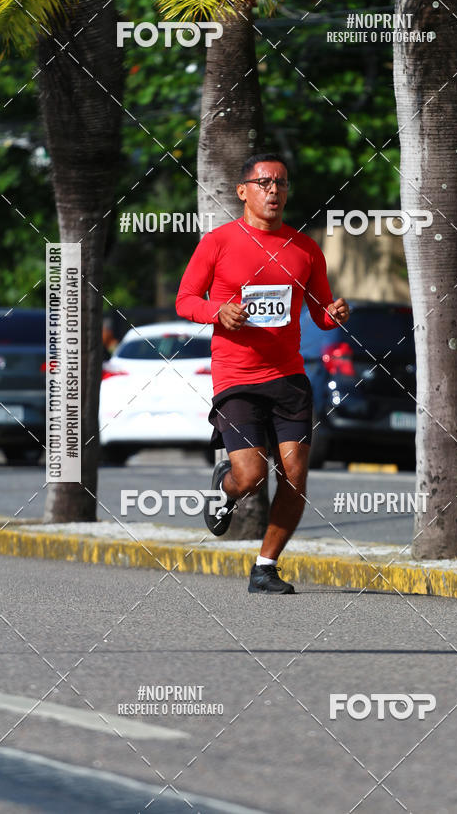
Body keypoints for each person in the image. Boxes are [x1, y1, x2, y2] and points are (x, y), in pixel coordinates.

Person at [176, 153, 349, 594]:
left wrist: (334, 314)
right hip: (236, 376)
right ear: (243, 191)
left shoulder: (305, 249)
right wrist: (220, 311)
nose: (275, 190)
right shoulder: (218, 242)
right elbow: (185, 301)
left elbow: (321, 312)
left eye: (282, 184)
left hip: (288, 376)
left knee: (295, 477)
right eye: (265, 182)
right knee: (250, 476)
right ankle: (226, 489)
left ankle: (265, 567)